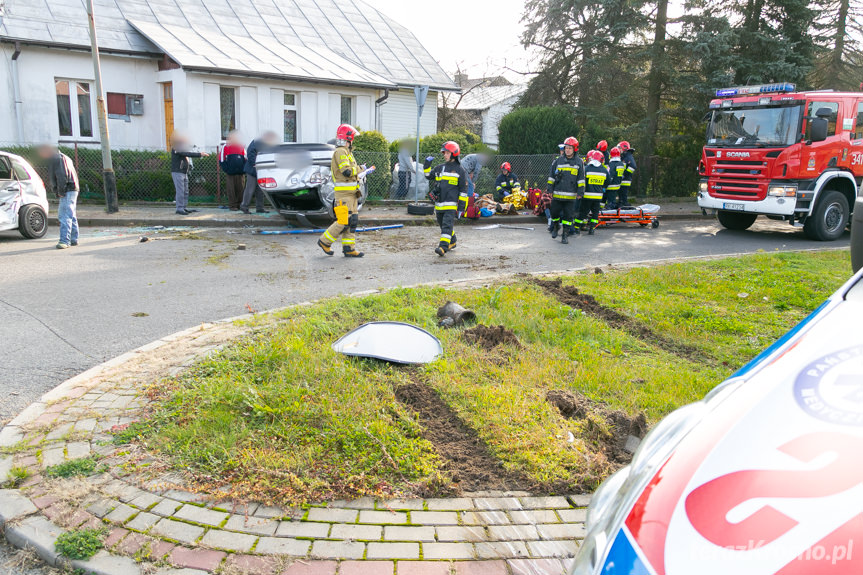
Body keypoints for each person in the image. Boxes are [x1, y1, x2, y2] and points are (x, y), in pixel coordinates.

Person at [318, 124, 365, 258]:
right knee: (344, 221)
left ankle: (349, 248)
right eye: (353, 138)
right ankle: (324, 241)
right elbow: (347, 171)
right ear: (348, 138)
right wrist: (361, 169)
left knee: (352, 220)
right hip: (344, 195)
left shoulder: (347, 152)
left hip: (352, 194)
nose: (353, 140)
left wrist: (361, 171)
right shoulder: (340, 152)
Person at [424, 141, 467, 257]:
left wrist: (461, 208)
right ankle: (452, 241)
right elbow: (428, 176)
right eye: (444, 153)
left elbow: (463, 191)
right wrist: (426, 166)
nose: (444, 155)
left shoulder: (460, 170)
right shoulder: (440, 168)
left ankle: (443, 247)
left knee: (447, 225)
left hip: (451, 205)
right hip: (439, 204)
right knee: (443, 225)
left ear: (454, 153)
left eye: (447, 152)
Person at [39, 144, 79, 249]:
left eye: (41, 152)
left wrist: (61, 191)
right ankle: (73, 239)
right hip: (73, 188)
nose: (41, 155)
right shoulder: (64, 157)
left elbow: (62, 175)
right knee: (71, 215)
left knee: (64, 215)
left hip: (67, 189)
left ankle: (64, 241)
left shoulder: (56, 158)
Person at [547, 137, 585, 244]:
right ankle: (555, 227)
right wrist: (549, 189)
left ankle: (565, 235)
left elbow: (581, 179)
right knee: (554, 213)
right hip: (557, 194)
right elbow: (551, 176)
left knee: (568, 217)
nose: (567, 150)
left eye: (570, 148)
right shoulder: (557, 161)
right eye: (566, 148)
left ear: (575, 149)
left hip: (570, 196)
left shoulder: (579, 162)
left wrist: (580, 192)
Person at [170, 132, 209, 216]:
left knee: (185, 191)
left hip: (183, 172)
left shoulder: (182, 147)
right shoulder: (176, 147)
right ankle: (179, 208)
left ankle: (183, 207)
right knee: (180, 191)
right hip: (178, 172)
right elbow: (186, 154)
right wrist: (200, 154)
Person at [241, 130, 279, 214]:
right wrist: (254, 163)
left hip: (261, 170)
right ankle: (244, 206)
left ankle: (260, 207)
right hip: (253, 170)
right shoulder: (257, 142)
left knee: (260, 190)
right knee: (250, 189)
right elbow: (250, 153)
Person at [577, 150, 608, 235]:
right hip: (598, 197)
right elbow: (608, 182)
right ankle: (592, 229)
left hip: (587, 196)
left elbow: (581, 181)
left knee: (583, 213)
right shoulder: (604, 170)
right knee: (595, 214)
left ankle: (576, 228)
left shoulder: (586, 169)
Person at [219, 131, 246, 211]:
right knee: (231, 190)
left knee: (241, 189)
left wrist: (243, 169)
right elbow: (221, 159)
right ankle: (232, 206)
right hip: (230, 173)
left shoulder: (241, 147)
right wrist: (227, 169)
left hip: (240, 173)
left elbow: (246, 159)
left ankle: (240, 205)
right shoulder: (225, 147)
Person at [617, 141, 637, 207]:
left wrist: (625, 174)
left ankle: (625, 204)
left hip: (625, 179)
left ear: (624, 148)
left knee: (623, 193)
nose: (618, 150)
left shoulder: (628, 156)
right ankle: (621, 203)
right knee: (621, 194)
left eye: (619, 148)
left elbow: (633, 166)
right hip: (623, 179)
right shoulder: (624, 156)